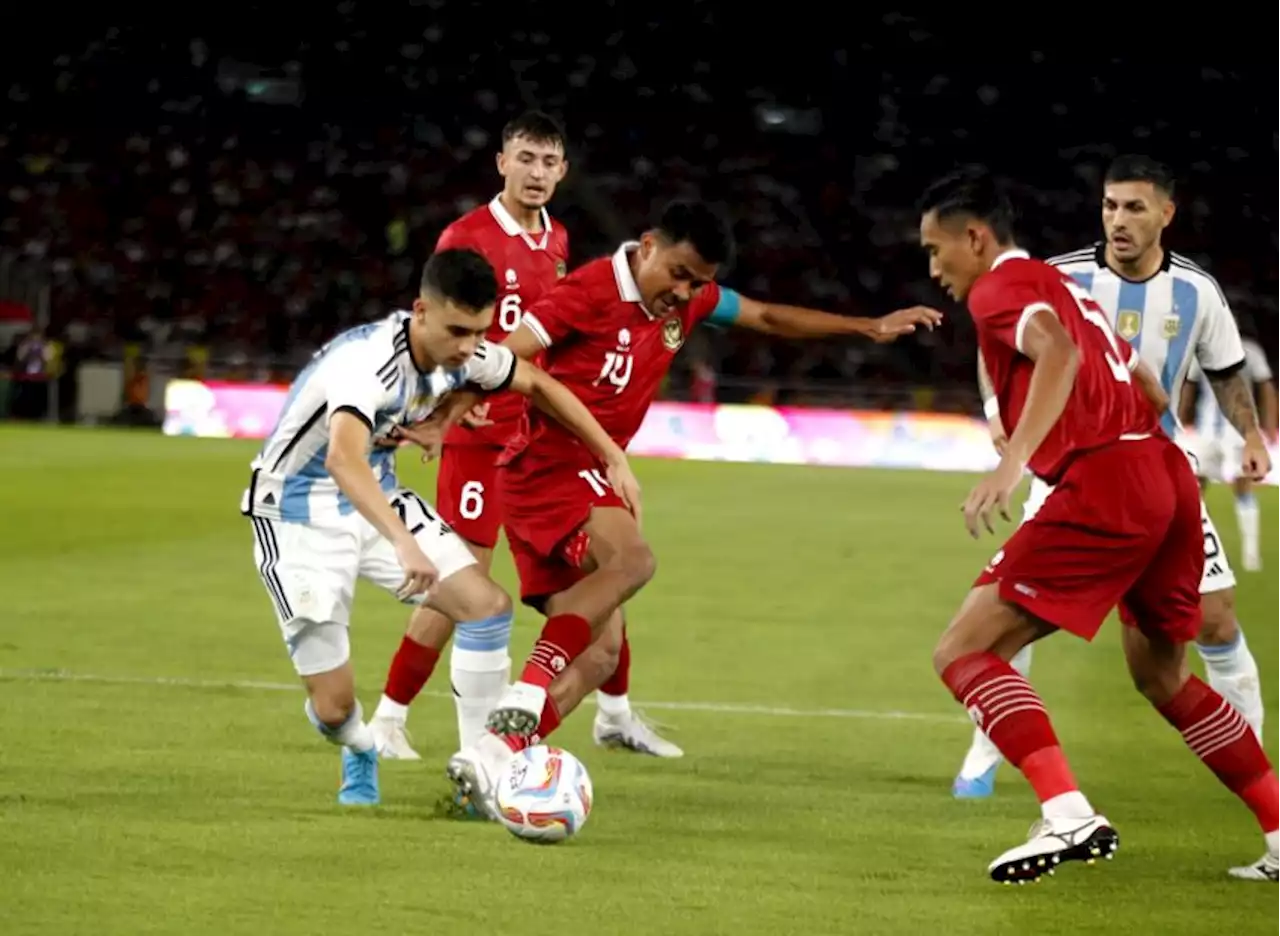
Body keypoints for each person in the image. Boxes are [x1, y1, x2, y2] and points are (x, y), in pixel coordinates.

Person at [443, 198, 943, 814]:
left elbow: (764, 316)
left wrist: (865, 327)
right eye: (678, 274)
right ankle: (531, 682)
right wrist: (453, 405)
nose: (685, 292)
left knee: (600, 654)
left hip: (583, 475)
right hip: (549, 469)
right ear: (648, 245)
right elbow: (512, 348)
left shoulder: (692, 301)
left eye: (698, 283)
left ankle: (492, 757)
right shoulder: (590, 289)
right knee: (634, 562)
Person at [920, 166, 1280, 883]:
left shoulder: (1004, 287)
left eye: (936, 250)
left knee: (962, 651)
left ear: (976, 237)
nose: (934, 269)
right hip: (1163, 474)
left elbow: (1057, 351)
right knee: (1164, 676)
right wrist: (1157, 443)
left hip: (1104, 484)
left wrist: (1012, 461)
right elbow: (1140, 376)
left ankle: (1066, 812)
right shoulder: (1064, 287)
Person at [240, 248, 638, 806]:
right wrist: (404, 544)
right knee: (333, 707)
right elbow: (342, 459)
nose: (468, 347)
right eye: (457, 331)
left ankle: (481, 778)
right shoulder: (368, 363)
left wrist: (612, 457)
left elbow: (540, 385)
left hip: (376, 495)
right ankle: (360, 746)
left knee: (486, 607)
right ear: (419, 310)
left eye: (479, 332)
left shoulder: (463, 353)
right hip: (297, 513)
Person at [368, 112, 681, 762]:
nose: (536, 173)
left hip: (538, 447)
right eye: (525, 159)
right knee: (467, 590)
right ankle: (389, 719)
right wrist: (453, 399)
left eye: (548, 162)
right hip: (480, 441)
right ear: (502, 162)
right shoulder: (467, 235)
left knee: (607, 580)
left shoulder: (558, 239)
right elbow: (437, 327)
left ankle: (615, 715)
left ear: (563, 170)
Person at [1181, 326, 1277, 571]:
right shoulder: (1207, 349)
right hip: (1211, 432)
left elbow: (1266, 388)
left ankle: (1249, 556)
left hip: (1233, 433)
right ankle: (1206, 551)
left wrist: (1267, 427)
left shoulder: (1246, 350)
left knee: (1236, 486)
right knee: (1196, 488)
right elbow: (1189, 387)